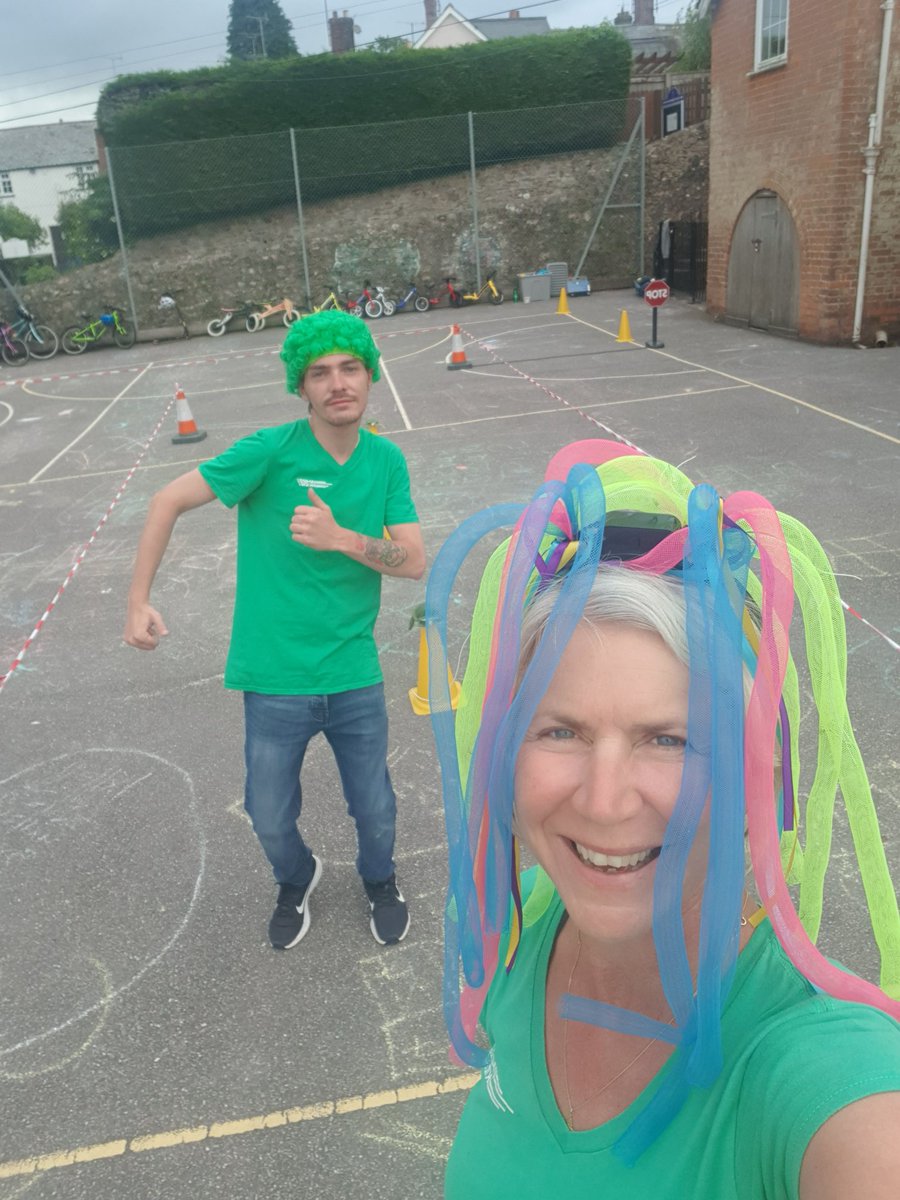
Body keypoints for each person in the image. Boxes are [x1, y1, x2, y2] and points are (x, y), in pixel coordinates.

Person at [424, 439, 900, 1198]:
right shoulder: (531, 930)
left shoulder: (821, 1071)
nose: (605, 800)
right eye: (560, 730)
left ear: (758, 774)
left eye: (670, 740)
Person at [124, 310, 424, 950]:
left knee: (374, 808)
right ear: (302, 385)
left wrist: (343, 539)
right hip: (274, 677)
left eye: (349, 368)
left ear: (369, 375)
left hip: (352, 672)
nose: (337, 383)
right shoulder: (270, 452)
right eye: (320, 372)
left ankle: (381, 880)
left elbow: (415, 561)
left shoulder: (385, 461)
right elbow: (165, 501)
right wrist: (137, 600)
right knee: (268, 815)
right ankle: (297, 876)